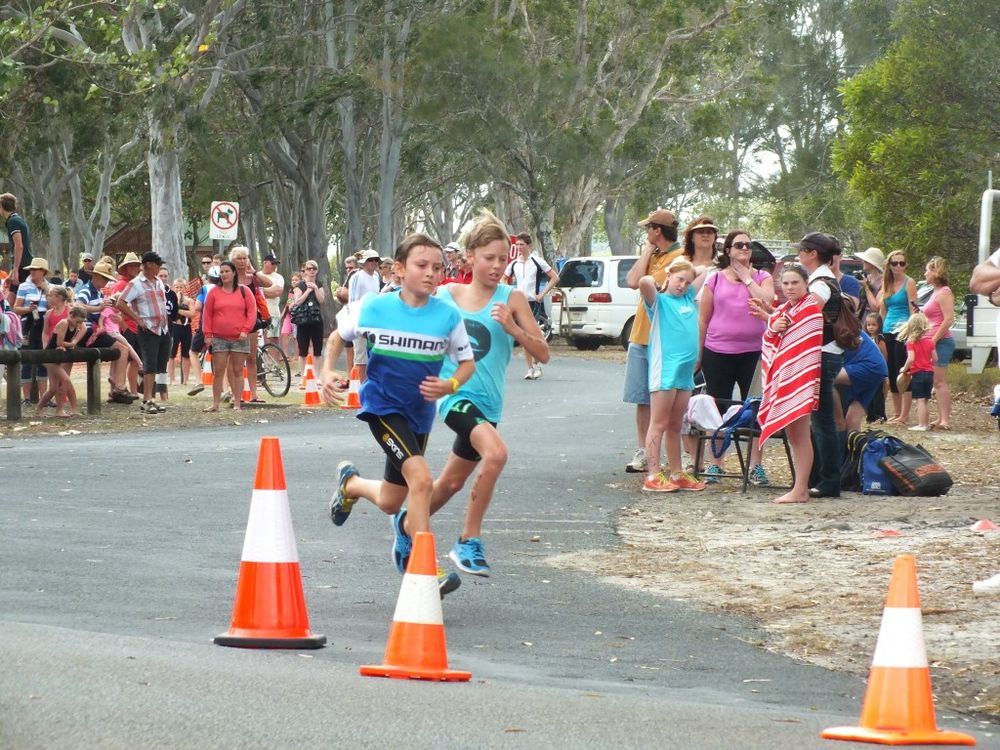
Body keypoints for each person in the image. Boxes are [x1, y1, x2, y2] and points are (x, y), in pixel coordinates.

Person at [320, 233, 475, 596]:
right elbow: (335, 338)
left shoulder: (448, 316)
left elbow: (466, 363)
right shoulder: (374, 306)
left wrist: (450, 385)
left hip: (420, 415)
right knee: (421, 479)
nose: (431, 273)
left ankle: (351, 485)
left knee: (392, 499)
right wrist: (326, 372)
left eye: (438, 267)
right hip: (383, 406)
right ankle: (423, 567)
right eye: (422, 266)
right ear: (400, 269)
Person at [426, 213, 547, 574]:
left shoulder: (513, 297)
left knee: (450, 483)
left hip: (489, 405)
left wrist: (513, 327)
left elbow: (543, 353)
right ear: (470, 256)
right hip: (454, 396)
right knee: (496, 454)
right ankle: (468, 541)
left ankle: (404, 523)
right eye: (489, 258)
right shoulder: (446, 295)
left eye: (502, 258)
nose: (496, 266)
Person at [697, 229, 774, 484]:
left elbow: (768, 302)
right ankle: (716, 462)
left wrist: (746, 277)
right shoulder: (715, 279)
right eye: (738, 245)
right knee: (717, 407)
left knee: (755, 407)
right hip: (717, 351)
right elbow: (703, 318)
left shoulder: (762, 277)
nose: (744, 249)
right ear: (727, 250)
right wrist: (698, 354)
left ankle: (755, 466)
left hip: (754, 352)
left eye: (748, 245)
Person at [752, 265, 823, 504]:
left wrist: (778, 324)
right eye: (786, 284)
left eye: (795, 283)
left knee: (800, 435)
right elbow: (773, 335)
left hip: (800, 378)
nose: (790, 288)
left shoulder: (811, 308)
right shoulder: (785, 309)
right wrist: (773, 325)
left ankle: (801, 488)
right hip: (785, 377)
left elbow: (804, 344)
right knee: (794, 436)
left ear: (805, 284)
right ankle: (799, 487)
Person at [639, 258, 707, 492]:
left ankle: (677, 472)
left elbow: (704, 270)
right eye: (680, 280)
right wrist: (668, 274)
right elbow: (644, 281)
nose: (684, 285)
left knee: (676, 424)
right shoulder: (659, 302)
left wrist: (687, 271)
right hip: (665, 370)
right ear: (669, 277)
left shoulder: (688, 298)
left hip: (684, 373)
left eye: (688, 282)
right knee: (658, 422)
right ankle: (653, 473)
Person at [623, 209, 682, 474]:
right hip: (640, 335)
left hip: (665, 339)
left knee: (667, 399)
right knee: (642, 398)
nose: (646, 233)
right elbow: (633, 281)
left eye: (648, 229)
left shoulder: (680, 258)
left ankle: (667, 454)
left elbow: (658, 290)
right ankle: (643, 451)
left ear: (657, 231)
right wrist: (646, 252)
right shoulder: (652, 255)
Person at [793, 232, 846, 499]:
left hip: (823, 354)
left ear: (812, 254)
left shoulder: (820, 283)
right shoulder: (824, 278)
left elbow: (806, 315)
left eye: (801, 250)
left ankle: (828, 480)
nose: (799, 255)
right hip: (828, 353)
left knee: (822, 421)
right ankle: (819, 476)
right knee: (819, 420)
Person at [117, 251, 170, 414]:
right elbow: (121, 303)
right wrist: (137, 318)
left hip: (162, 328)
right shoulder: (136, 284)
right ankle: (147, 400)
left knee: (159, 364)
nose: (159, 267)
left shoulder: (158, 281)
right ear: (148, 265)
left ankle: (151, 398)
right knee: (150, 364)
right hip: (148, 328)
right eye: (157, 264)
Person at [201, 260, 256, 412]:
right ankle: (215, 404)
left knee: (238, 370)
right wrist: (208, 334)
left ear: (233, 273)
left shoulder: (244, 291)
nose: (224, 274)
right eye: (222, 272)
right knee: (218, 371)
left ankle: (237, 403)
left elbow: (252, 312)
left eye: (227, 271)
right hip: (219, 337)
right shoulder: (214, 292)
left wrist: (246, 330)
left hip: (240, 337)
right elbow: (207, 314)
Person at [74, 260, 132, 401]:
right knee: (123, 348)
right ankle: (119, 387)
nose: (106, 282)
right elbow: (77, 305)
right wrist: (99, 308)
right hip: (85, 332)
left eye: (108, 279)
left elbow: (101, 313)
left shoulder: (99, 293)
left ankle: (118, 386)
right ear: (96, 276)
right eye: (105, 278)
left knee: (123, 349)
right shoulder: (86, 290)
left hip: (96, 331)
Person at [504, 233, 558, 380]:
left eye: (522, 244)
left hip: (533, 302)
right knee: (524, 336)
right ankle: (530, 368)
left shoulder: (537, 261)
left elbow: (554, 277)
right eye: (517, 245)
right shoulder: (514, 264)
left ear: (528, 245)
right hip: (519, 303)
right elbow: (504, 278)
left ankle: (537, 365)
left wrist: (542, 294)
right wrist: (508, 292)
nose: (519, 247)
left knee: (532, 335)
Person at [877, 250, 917, 424]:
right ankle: (897, 411)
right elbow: (882, 310)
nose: (898, 267)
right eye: (895, 263)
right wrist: (878, 332)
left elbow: (913, 310)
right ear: (889, 265)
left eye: (902, 263)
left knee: (904, 371)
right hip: (887, 329)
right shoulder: (886, 283)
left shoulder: (909, 282)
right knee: (891, 370)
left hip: (903, 330)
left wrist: (912, 334)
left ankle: (905, 415)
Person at [229, 246, 273, 403]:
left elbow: (269, 283)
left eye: (244, 258)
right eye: (238, 258)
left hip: (252, 320)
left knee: (252, 357)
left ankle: (254, 393)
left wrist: (254, 272)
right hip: (233, 321)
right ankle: (235, 393)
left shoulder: (252, 277)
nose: (242, 261)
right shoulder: (229, 277)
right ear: (233, 261)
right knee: (235, 358)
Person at [36, 301, 87, 417]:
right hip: (50, 357)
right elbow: (59, 342)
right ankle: (72, 410)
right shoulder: (64, 323)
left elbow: (66, 342)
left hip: (57, 358)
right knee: (66, 380)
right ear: (71, 316)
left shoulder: (76, 326)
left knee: (53, 388)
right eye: (77, 321)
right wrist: (72, 344)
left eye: (81, 322)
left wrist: (70, 344)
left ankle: (40, 409)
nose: (79, 324)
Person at [920, 256, 954, 430]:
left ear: (935, 272)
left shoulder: (945, 292)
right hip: (931, 341)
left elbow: (948, 319)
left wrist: (933, 340)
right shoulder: (935, 292)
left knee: (940, 380)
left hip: (942, 341)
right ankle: (940, 417)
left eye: (928, 270)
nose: (925, 273)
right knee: (936, 381)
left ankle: (945, 420)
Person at [12, 257, 50, 406]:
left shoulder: (51, 287)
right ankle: (27, 398)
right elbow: (16, 308)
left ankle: (44, 398)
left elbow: (55, 305)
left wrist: (46, 289)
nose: (32, 272)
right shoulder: (23, 286)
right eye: (31, 269)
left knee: (44, 360)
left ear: (43, 272)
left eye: (36, 269)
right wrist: (28, 309)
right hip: (28, 325)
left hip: (44, 326)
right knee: (26, 360)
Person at [835, 330, 889, 433]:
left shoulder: (839, 324)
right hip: (878, 368)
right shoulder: (852, 324)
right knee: (852, 421)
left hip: (868, 366)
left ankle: (838, 423)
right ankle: (853, 445)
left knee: (825, 378)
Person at [345, 249, 381, 382]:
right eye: (370, 260)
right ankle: (359, 387)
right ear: (363, 262)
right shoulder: (356, 277)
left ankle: (369, 385)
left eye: (375, 260)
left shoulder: (376, 276)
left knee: (373, 355)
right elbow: (353, 300)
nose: (373, 263)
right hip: (360, 321)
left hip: (374, 322)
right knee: (360, 356)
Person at [110, 252, 143, 399]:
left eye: (137, 265)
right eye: (132, 266)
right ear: (126, 268)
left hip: (134, 326)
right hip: (125, 327)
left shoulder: (133, 284)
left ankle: (128, 389)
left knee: (133, 361)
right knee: (127, 360)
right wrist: (124, 326)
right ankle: (119, 389)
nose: (135, 268)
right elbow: (114, 307)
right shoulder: (121, 285)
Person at [896, 312, 935, 432]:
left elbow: (911, 358)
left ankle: (922, 424)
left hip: (918, 373)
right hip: (929, 373)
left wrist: (904, 368)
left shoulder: (911, 342)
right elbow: (935, 358)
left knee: (920, 400)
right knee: (925, 400)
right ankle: (925, 423)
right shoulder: (930, 341)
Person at [289, 259, 326, 386]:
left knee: (317, 349)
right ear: (304, 270)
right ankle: (303, 375)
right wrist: (308, 291)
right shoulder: (300, 285)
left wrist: (315, 288)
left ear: (317, 270)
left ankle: (316, 376)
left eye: (314, 268)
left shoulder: (319, 284)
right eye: (309, 268)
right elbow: (297, 301)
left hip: (316, 319)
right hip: (302, 320)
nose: (311, 271)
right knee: (303, 349)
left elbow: (321, 300)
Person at [0, 192, 33, 293]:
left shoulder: (13, 221)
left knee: (18, 302)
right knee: (11, 299)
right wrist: (11, 273)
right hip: (24, 265)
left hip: (23, 266)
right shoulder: (17, 219)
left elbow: (19, 246)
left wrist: (16, 270)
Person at [168, 277, 195, 385]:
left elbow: (191, 313)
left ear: (185, 288)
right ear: (173, 288)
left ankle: (186, 379)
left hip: (186, 328)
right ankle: (172, 379)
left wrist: (178, 309)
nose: (179, 289)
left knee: (186, 354)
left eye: (181, 287)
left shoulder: (189, 301)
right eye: (177, 287)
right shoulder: (170, 300)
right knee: (171, 354)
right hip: (174, 327)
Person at [863, 312, 889, 424]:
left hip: (877, 369)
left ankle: (880, 415)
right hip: (868, 370)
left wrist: (884, 371)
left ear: (879, 325)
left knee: (878, 393)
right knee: (868, 392)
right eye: (869, 325)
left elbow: (884, 355)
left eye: (874, 325)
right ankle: (870, 416)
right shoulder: (866, 338)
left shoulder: (879, 339)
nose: (871, 327)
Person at [852, 247, 885, 319]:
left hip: (874, 321)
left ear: (872, 264)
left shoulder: (883, 282)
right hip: (863, 318)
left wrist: (866, 287)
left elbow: (876, 308)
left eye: (865, 261)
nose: (862, 262)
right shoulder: (867, 278)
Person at [260, 253, 285, 349]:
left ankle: (274, 362)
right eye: (272, 263)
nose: (275, 266)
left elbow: (276, 292)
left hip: (274, 312)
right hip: (259, 311)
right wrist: (269, 290)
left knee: (273, 338)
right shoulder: (257, 275)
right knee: (261, 337)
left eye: (276, 264)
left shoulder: (278, 277)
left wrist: (260, 290)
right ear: (265, 263)